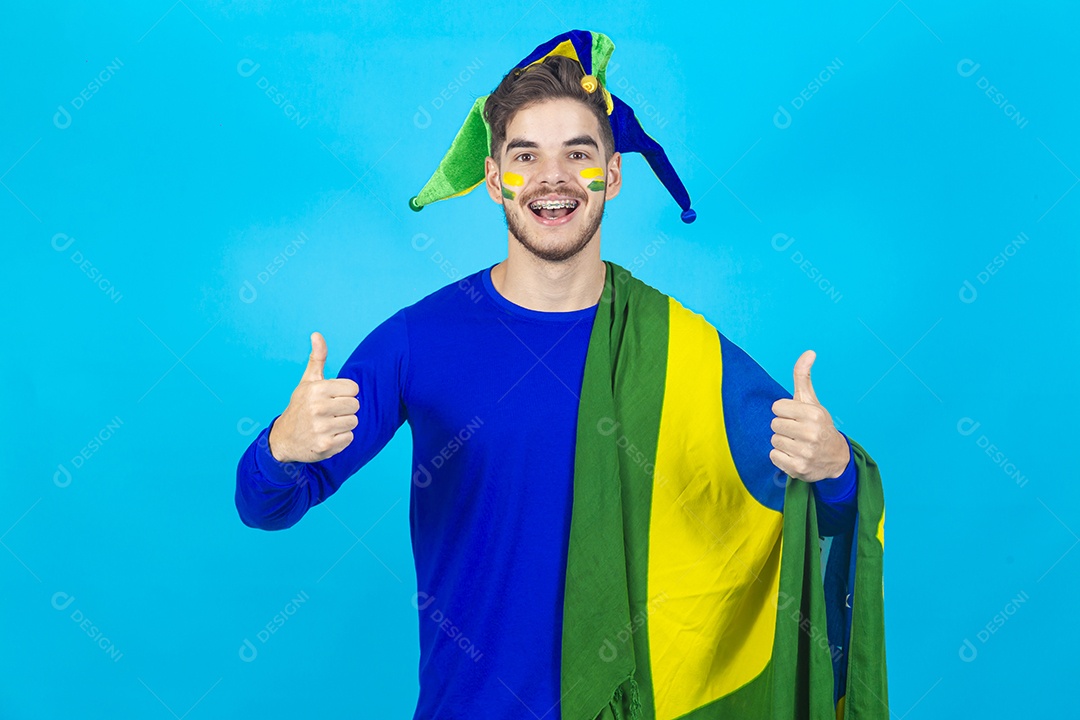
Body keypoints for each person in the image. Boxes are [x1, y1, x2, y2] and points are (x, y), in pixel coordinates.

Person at [236, 38, 863, 720]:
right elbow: (267, 507)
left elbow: (817, 514)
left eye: (578, 153)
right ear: (493, 177)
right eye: (525, 155)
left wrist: (836, 467)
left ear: (613, 175)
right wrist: (280, 448)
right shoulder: (418, 340)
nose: (552, 177)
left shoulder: (681, 347)